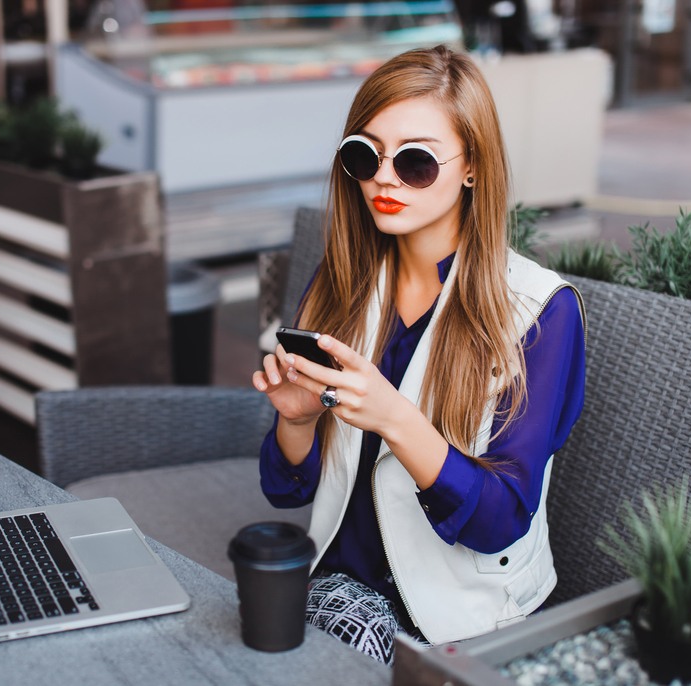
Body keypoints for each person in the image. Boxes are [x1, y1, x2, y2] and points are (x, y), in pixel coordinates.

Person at [251, 44, 586, 665]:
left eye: (415, 162)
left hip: (454, 615)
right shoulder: (339, 284)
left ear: (473, 168)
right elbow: (285, 489)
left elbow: (500, 520)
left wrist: (394, 417)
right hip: (338, 584)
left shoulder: (542, 312)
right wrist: (296, 421)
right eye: (364, 154)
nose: (383, 177)